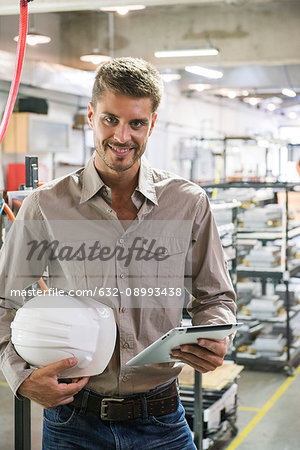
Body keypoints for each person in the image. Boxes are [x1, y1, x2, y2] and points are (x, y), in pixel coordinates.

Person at [0, 57, 236, 449]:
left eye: (136, 123)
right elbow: (5, 298)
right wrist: (20, 376)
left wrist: (215, 332)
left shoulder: (188, 203)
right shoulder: (45, 205)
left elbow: (215, 296)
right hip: (73, 418)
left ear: (152, 124)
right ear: (92, 115)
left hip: (162, 419)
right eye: (110, 119)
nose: (122, 136)